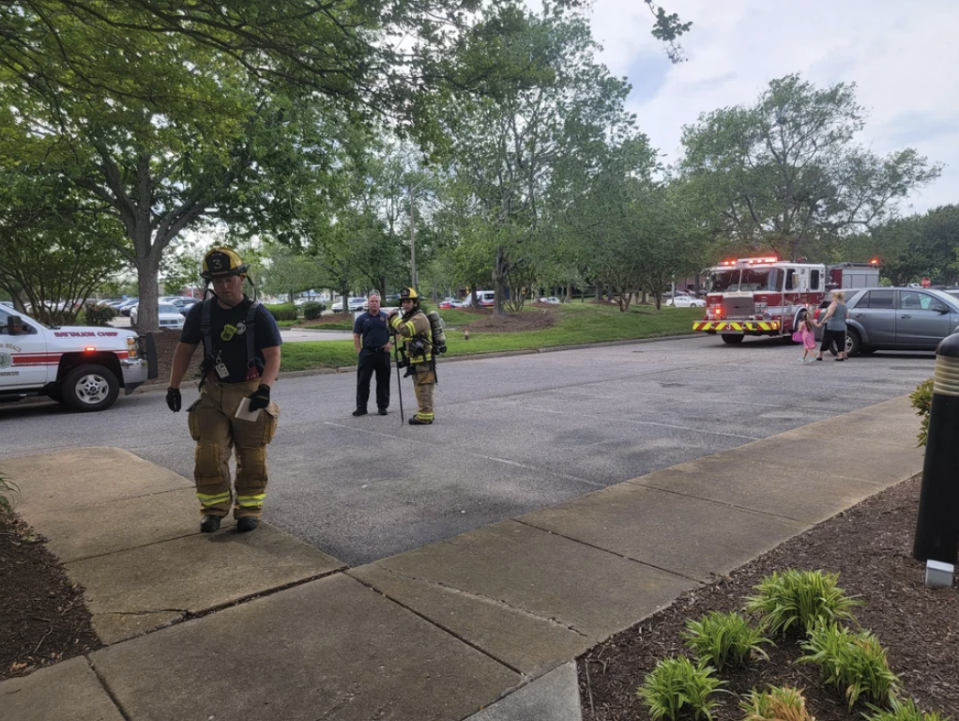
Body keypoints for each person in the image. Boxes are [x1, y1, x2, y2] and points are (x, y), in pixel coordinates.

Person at [166, 247, 282, 533]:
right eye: (218, 281)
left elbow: (273, 356)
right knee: (209, 454)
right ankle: (213, 510)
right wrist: (173, 386)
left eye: (230, 279)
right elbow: (183, 351)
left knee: (252, 455)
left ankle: (248, 510)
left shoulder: (258, 314)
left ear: (243, 278)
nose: (224, 286)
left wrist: (264, 389)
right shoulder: (200, 313)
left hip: (249, 395)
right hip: (213, 394)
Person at [387, 287, 435, 425]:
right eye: (403, 302)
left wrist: (393, 318)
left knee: (423, 388)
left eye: (408, 301)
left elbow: (406, 331)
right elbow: (398, 330)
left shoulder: (419, 318)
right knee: (420, 388)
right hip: (416, 361)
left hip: (424, 362)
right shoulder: (410, 318)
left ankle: (425, 416)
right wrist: (391, 321)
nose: (405, 304)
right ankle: (426, 412)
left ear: (415, 303)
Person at [352, 292, 392, 416]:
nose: (374, 303)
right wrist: (360, 351)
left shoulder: (386, 318)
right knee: (363, 382)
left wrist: (391, 344)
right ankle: (361, 407)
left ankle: (382, 407)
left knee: (383, 381)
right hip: (367, 353)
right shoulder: (362, 319)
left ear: (379, 303)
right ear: (368, 303)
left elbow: (398, 332)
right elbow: (356, 336)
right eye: (372, 301)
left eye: (376, 301)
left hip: (382, 353)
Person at [815, 290, 850, 362]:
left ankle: (819, 355)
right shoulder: (844, 305)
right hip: (841, 327)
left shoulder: (834, 304)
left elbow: (829, 314)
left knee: (826, 340)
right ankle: (840, 356)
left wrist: (822, 321)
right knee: (840, 341)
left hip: (831, 326)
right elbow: (847, 316)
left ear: (835, 297)